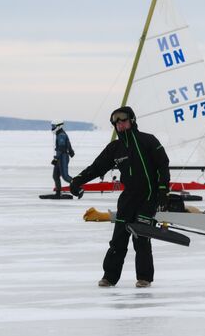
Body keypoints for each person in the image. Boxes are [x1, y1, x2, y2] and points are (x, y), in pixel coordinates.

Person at [70, 105, 170, 288]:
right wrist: (78, 180)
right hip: (128, 199)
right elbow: (97, 167)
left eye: (123, 121)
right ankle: (109, 277)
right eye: (116, 123)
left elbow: (163, 165)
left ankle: (144, 278)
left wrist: (163, 191)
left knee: (141, 239)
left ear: (132, 121)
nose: (120, 125)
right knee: (118, 240)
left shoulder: (148, 141)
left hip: (148, 197)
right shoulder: (115, 148)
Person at [51, 121, 75, 195]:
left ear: (59, 126)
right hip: (60, 157)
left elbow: (61, 148)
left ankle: (78, 187)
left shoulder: (61, 135)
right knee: (55, 175)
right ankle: (58, 192)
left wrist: (56, 158)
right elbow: (68, 143)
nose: (52, 128)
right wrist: (71, 151)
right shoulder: (59, 134)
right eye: (52, 126)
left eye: (54, 126)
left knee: (65, 176)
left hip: (62, 157)